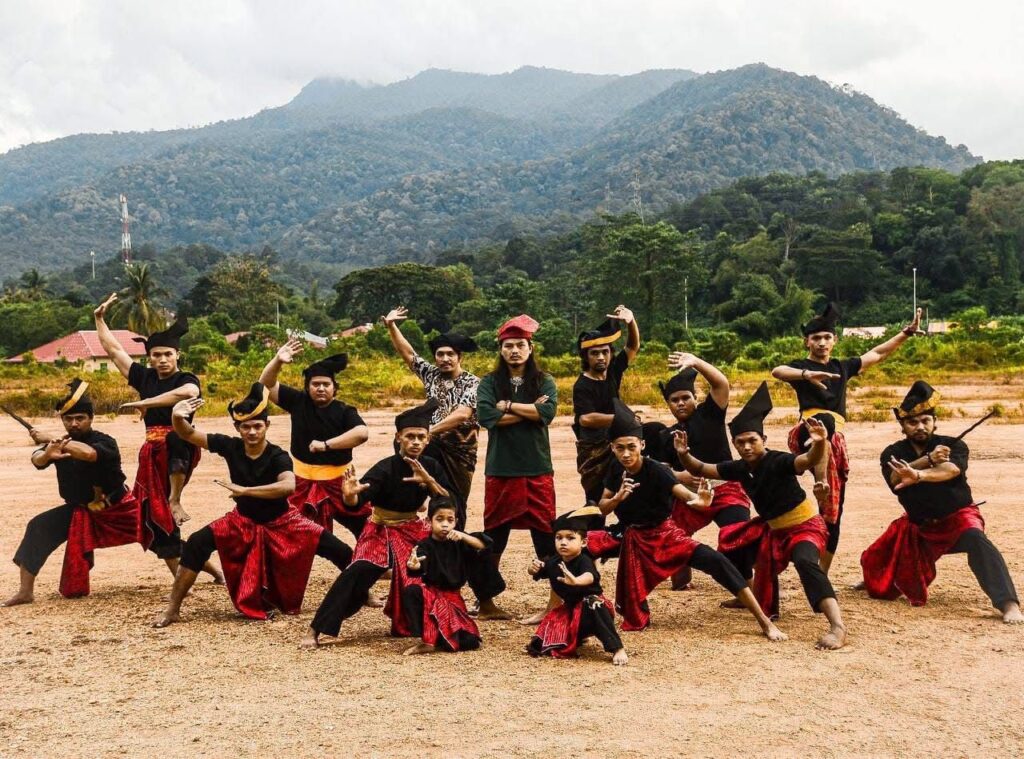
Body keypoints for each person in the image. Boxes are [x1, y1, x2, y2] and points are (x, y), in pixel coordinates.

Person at [153, 384, 352, 627]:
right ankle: (173, 609)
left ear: (267, 425)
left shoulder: (278, 455)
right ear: (237, 428)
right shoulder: (230, 446)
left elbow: (288, 486)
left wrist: (246, 491)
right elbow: (188, 434)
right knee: (196, 543)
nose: (252, 432)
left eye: (257, 426)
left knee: (339, 549)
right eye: (245, 427)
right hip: (242, 520)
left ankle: (364, 592)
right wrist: (177, 416)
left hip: (283, 521)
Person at [587, 400, 786, 640]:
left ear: (642, 444)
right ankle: (576, 612)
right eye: (620, 448)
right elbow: (602, 508)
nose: (626, 453)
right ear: (612, 448)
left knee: (717, 561)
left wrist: (702, 500)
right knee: (580, 547)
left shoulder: (657, 470)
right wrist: (617, 498)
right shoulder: (615, 469)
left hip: (665, 535)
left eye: (631, 446)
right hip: (632, 538)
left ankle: (765, 622)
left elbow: (688, 497)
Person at [675, 382, 848, 650]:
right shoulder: (738, 468)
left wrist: (819, 443)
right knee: (731, 544)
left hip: (805, 526)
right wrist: (684, 454)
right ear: (734, 444)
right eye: (740, 442)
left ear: (763, 440)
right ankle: (746, 595)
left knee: (805, 562)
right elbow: (701, 468)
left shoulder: (779, 460)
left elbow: (806, 460)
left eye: (752, 441)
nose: (746, 447)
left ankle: (837, 626)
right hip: (773, 530)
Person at [770, 302, 922, 573]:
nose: (822, 342)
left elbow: (877, 353)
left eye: (827, 337)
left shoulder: (842, 367)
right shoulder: (801, 367)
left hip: (835, 441)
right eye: (816, 338)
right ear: (807, 342)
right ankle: (820, 481)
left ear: (834, 340)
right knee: (824, 422)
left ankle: (822, 573)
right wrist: (806, 375)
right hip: (806, 431)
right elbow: (777, 371)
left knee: (834, 512)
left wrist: (906, 333)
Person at [857, 381, 1022, 624]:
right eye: (912, 422)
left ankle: (1009, 604)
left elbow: (951, 470)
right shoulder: (893, 452)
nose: (920, 426)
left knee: (979, 542)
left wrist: (918, 474)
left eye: (925, 420)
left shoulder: (953, 445)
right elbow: (894, 478)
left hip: (958, 519)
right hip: (919, 525)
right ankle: (877, 579)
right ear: (902, 426)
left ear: (935, 422)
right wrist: (927, 460)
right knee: (876, 558)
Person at [302, 400, 454, 648]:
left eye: (421, 437)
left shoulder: (432, 466)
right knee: (357, 571)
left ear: (428, 440)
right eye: (410, 436)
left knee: (430, 570)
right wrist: (350, 496)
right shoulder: (385, 468)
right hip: (380, 530)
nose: (415, 442)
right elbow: (356, 501)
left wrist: (429, 481)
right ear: (398, 438)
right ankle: (316, 629)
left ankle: (431, 628)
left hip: (412, 529)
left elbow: (447, 501)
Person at [93, 294, 220, 582]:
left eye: (167, 355)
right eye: (157, 355)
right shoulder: (145, 378)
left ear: (178, 355)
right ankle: (214, 573)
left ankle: (175, 500)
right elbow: (113, 350)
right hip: (151, 454)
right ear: (149, 357)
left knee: (161, 510)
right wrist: (99, 319)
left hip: (180, 449)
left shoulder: (186, 378)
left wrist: (146, 403)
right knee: (151, 518)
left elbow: (188, 394)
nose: (162, 360)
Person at [3, 380, 143, 605]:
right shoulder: (58, 443)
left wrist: (51, 439)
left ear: (91, 418)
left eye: (80, 418)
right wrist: (47, 454)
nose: (74, 423)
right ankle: (25, 592)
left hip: (117, 508)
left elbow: (88, 454)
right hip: (79, 510)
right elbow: (37, 460)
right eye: (68, 419)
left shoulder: (105, 441)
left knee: (158, 533)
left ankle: (193, 572)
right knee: (38, 527)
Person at [475, 314, 559, 624]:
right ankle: (486, 602)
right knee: (494, 536)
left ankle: (555, 603)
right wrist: (530, 411)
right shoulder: (489, 382)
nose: (514, 351)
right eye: (508, 345)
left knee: (545, 535)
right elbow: (486, 417)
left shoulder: (544, 380)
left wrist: (508, 406)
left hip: (537, 468)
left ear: (530, 348)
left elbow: (547, 412)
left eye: (520, 345)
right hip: (501, 469)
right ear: (500, 349)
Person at [643, 353, 752, 590]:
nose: (681, 403)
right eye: (675, 400)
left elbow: (721, 384)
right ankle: (682, 582)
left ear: (695, 398)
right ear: (668, 404)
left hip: (726, 490)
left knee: (738, 536)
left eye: (686, 398)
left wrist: (695, 362)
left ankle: (750, 589)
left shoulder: (710, 414)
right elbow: (658, 469)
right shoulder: (666, 435)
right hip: (691, 496)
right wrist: (679, 476)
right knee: (672, 535)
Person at [258, 342, 370, 539]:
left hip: (338, 481)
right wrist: (277, 361)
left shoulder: (345, 411)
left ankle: (367, 557)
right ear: (307, 387)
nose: (320, 388)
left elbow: (361, 433)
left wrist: (326, 445)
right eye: (315, 384)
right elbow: (265, 384)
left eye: (326, 384)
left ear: (335, 388)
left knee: (365, 527)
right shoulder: (298, 401)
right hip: (301, 481)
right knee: (291, 533)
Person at [383, 306, 481, 529]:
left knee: (454, 500)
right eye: (440, 354)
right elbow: (409, 354)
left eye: (450, 354)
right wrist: (391, 326)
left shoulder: (473, 382)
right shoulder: (431, 374)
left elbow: (462, 414)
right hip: (431, 445)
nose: (445, 359)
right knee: (404, 443)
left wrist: (427, 432)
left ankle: (455, 540)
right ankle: (414, 497)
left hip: (460, 451)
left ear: (459, 357)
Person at [526, 507, 628, 665]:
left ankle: (617, 648)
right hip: (570, 612)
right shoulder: (553, 561)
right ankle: (578, 636)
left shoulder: (584, 560)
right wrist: (532, 569)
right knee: (539, 644)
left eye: (570, 538)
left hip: (593, 611)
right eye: (559, 538)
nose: (563, 542)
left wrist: (576, 581)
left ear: (584, 542)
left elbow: (590, 576)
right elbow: (538, 571)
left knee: (593, 603)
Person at [402, 496, 493, 655]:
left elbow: (484, 545)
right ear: (429, 521)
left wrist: (463, 536)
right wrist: (414, 566)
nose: (445, 524)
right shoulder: (424, 545)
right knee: (412, 591)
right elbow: (418, 566)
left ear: (455, 521)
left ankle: (438, 639)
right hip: (431, 596)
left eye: (450, 520)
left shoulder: (459, 542)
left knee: (470, 642)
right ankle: (426, 640)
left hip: (453, 599)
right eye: (439, 519)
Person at [571, 307, 640, 504]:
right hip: (593, 448)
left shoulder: (613, 370)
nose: (601, 357)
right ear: (586, 357)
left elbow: (633, 346)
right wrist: (623, 419)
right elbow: (586, 419)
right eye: (595, 353)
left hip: (616, 440)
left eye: (605, 352)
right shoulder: (582, 385)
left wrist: (631, 321)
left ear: (610, 353)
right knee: (595, 498)